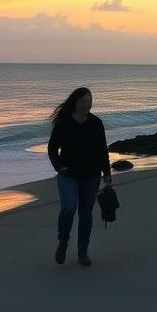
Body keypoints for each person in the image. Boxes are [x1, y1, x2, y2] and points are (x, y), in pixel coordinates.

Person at [47, 87, 112, 267]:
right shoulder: (64, 122)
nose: (87, 105)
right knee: (68, 208)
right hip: (68, 175)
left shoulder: (96, 123)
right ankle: (63, 242)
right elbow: (52, 148)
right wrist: (59, 167)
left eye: (89, 101)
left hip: (91, 175)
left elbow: (102, 150)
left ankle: (83, 251)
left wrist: (107, 173)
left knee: (86, 213)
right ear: (75, 102)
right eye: (83, 101)